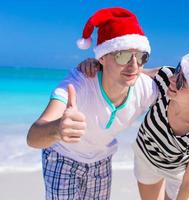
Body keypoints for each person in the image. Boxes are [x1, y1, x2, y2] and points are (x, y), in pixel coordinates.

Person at [26, 7, 158, 200]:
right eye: (122, 55)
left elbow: (180, 78)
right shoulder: (78, 84)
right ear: (102, 58)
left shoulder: (146, 88)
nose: (133, 65)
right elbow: (33, 137)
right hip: (63, 158)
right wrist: (58, 129)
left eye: (140, 56)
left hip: (101, 161)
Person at [80, 52, 189, 200]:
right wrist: (99, 65)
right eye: (178, 69)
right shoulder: (165, 78)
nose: (173, 78)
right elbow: (129, 74)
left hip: (177, 173)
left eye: (181, 81)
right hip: (146, 157)